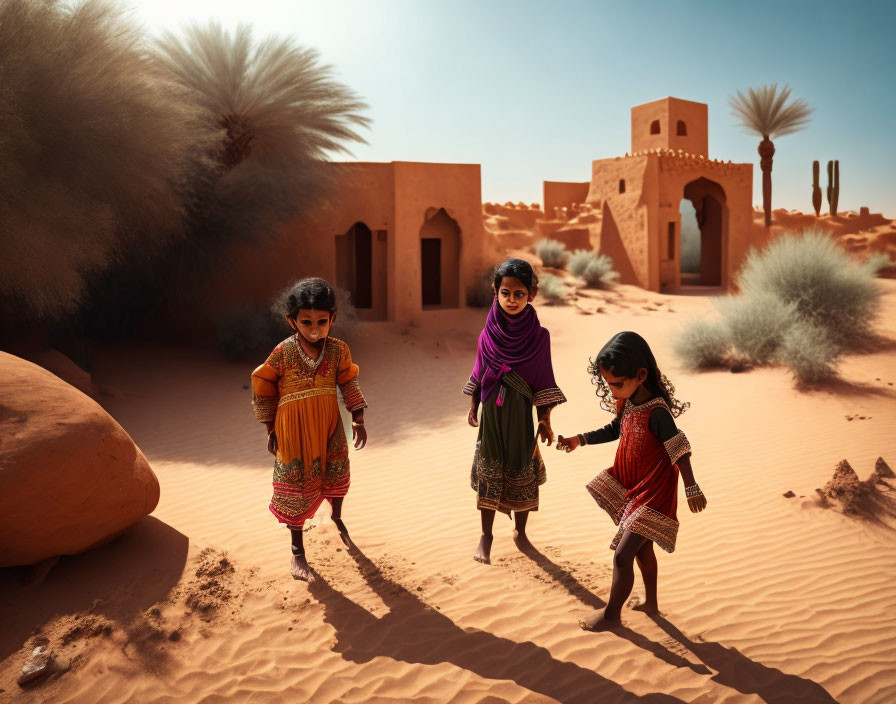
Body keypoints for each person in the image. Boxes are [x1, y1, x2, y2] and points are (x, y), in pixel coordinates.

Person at [556, 331, 707, 630]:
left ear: (640, 375)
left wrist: (691, 485)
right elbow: (615, 430)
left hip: (655, 491)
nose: (613, 391)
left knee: (623, 557)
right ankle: (651, 602)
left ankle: (612, 615)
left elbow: (679, 448)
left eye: (617, 384)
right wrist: (579, 440)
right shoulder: (626, 402)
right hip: (634, 487)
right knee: (643, 549)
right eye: (608, 384)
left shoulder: (658, 412)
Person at [251, 278, 368, 582]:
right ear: (292, 321)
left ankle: (338, 516)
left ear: (332, 319)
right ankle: (297, 552)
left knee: (337, 473)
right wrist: (269, 428)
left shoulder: (339, 350)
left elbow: (349, 381)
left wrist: (358, 418)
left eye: (322, 321)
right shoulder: (282, 353)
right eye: (306, 322)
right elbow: (263, 388)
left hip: (330, 425)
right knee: (297, 486)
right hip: (293, 430)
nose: (315, 329)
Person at [464, 258, 566, 565]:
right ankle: (486, 535)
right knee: (489, 468)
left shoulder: (539, 338)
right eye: (505, 292)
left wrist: (545, 420)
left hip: (521, 417)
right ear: (495, 292)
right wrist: (473, 405)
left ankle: (521, 532)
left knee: (523, 470)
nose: (511, 300)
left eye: (518, 294)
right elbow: (481, 372)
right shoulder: (487, 333)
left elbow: (543, 381)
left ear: (531, 295)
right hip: (492, 418)